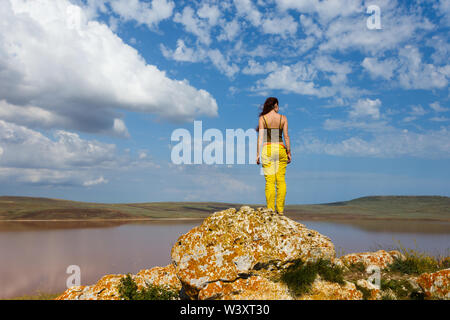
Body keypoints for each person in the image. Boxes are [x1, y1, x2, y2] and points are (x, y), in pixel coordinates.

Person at [256, 97, 291, 215]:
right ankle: (280, 210)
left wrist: (257, 154)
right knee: (281, 180)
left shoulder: (263, 119)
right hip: (281, 149)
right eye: (278, 105)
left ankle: (270, 210)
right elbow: (286, 136)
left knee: (270, 181)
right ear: (275, 105)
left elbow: (260, 138)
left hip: (268, 149)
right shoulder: (283, 118)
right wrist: (289, 152)